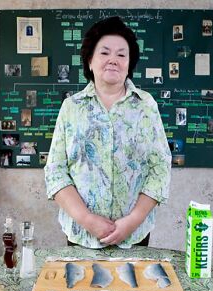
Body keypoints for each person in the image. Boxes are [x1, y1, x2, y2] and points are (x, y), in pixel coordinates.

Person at [44, 17, 172, 249]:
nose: (113, 60)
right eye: (104, 53)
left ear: (129, 64)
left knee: (131, 286)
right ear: (90, 61)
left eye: (122, 55)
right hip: (82, 234)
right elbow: (55, 171)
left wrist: (132, 221)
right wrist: (86, 219)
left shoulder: (146, 106)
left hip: (134, 234)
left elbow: (160, 168)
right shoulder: (71, 107)